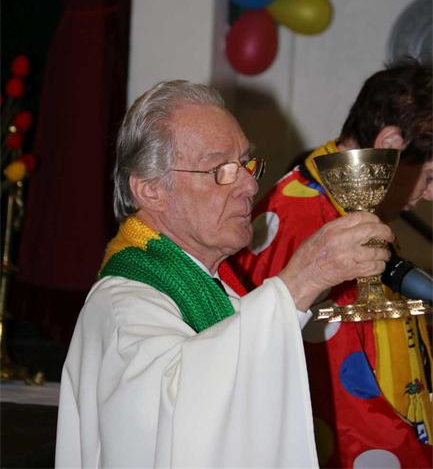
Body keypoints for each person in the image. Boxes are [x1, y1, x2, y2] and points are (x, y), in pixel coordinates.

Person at [55, 79, 393, 468]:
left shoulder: (213, 284)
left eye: (247, 164)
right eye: (220, 169)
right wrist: (301, 282)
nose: (249, 184)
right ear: (150, 191)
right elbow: (174, 417)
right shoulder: (124, 304)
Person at [231, 59, 433, 469]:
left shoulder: (327, 199)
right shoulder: (318, 228)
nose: (429, 195)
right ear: (391, 143)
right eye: (429, 176)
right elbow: (350, 411)